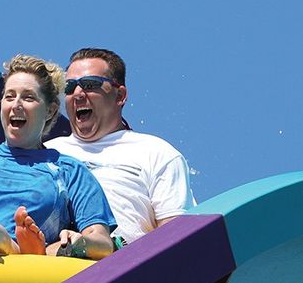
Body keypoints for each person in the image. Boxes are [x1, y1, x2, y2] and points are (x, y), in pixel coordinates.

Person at [0, 55, 117, 260]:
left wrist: (79, 242)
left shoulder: (68, 170)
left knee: (0, 234)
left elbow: (103, 242)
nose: (16, 105)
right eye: (9, 97)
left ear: (50, 110)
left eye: (28, 97)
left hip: (31, 266)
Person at [46, 48, 196, 245]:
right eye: (69, 87)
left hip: (122, 269)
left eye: (90, 84)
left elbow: (175, 238)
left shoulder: (157, 152)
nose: (78, 94)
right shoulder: (44, 152)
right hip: (46, 268)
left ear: (120, 96)